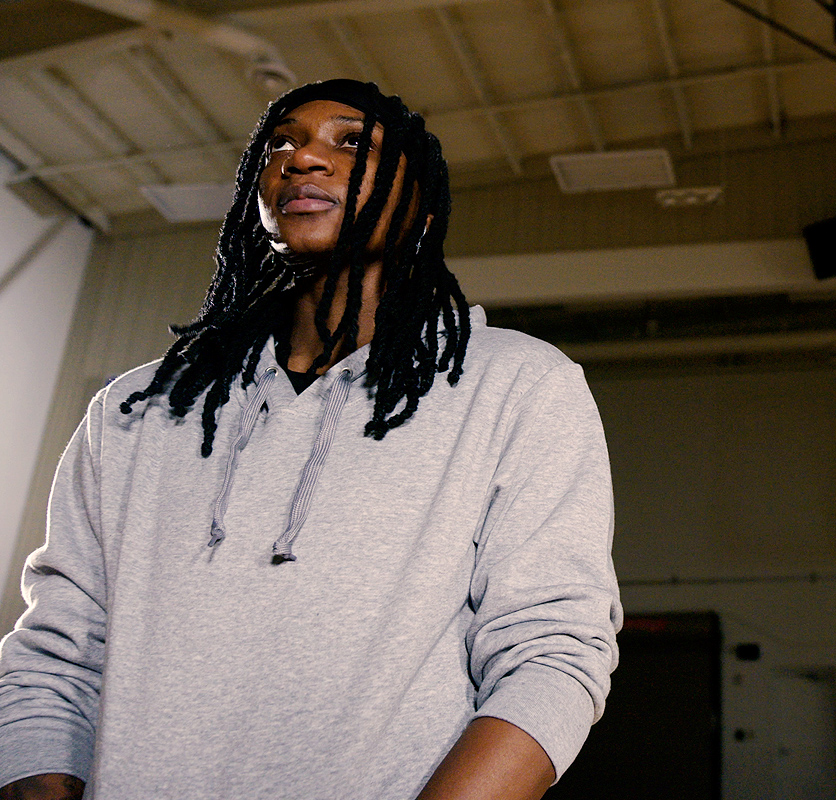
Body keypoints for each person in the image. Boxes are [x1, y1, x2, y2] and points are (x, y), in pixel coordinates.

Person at [0, 79, 621, 800]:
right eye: (282, 144)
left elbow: (551, 656)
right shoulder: (136, 410)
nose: (303, 159)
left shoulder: (519, 383)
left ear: (421, 206)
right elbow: (56, 657)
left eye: (351, 142)